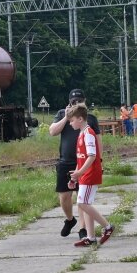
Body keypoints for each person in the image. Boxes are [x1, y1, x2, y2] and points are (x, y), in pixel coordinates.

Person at [49, 88, 101, 239]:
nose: (77, 104)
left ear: (85, 101)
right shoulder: (61, 114)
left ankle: (83, 229)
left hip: (84, 162)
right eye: (74, 102)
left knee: (82, 198)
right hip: (66, 161)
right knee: (65, 196)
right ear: (69, 103)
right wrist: (66, 117)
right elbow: (52, 132)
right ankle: (70, 220)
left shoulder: (90, 118)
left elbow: (98, 142)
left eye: (80, 101)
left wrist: (100, 161)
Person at [67, 103, 114, 247]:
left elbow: (92, 156)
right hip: (83, 174)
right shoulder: (81, 133)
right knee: (85, 204)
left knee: (82, 203)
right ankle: (91, 237)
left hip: (90, 174)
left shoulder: (88, 134)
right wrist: (75, 176)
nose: (70, 123)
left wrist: (80, 172)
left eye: (72, 120)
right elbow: (81, 157)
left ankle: (107, 227)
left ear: (80, 119)